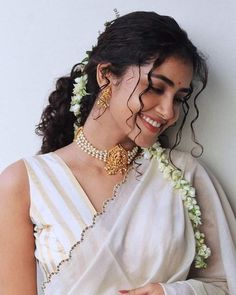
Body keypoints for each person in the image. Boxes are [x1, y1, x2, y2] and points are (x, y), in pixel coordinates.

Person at [0, 11, 235, 295]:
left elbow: (226, 285)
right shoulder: (25, 183)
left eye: (179, 98)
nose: (168, 111)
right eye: (155, 88)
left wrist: (168, 292)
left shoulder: (184, 176)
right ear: (105, 75)